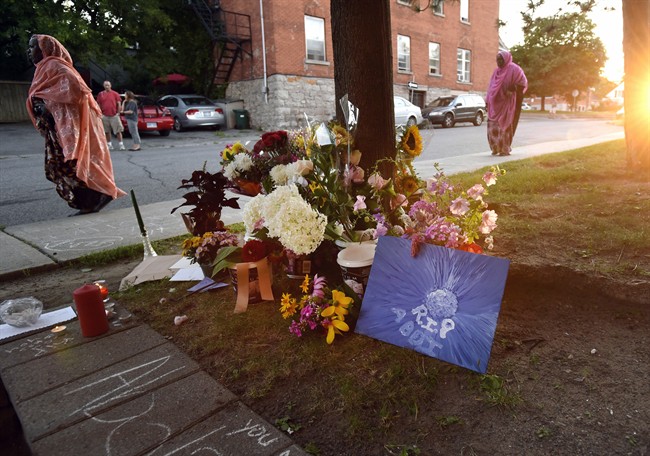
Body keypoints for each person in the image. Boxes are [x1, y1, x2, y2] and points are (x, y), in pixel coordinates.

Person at [26, 34, 126, 215]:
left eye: (33, 47)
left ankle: (94, 200)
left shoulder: (55, 66)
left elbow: (77, 90)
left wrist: (48, 104)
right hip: (57, 129)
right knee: (63, 167)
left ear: (45, 49)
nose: (29, 51)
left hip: (70, 128)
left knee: (71, 166)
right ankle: (90, 201)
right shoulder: (43, 69)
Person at [486, 50, 528, 156]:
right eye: (497, 60)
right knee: (493, 127)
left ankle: (504, 149)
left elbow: (523, 83)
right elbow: (491, 87)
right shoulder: (496, 72)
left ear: (506, 59)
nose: (499, 62)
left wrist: (513, 88)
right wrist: (488, 100)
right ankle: (495, 148)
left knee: (504, 126)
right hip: (495, 105)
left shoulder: (515, 69)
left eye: (501, 59)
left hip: (508, 104)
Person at [97, 80, 125, 150]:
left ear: (110, 86)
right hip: (104, 115)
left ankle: (121, 144)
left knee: (118, 131)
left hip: (114, 115)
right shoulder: (100, 94)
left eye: (108, 85)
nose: (107, 86)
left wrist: (118, 113)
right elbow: (99, 104)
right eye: (105, 85)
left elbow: (119, 103)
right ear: (103, 86)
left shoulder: (115, 94)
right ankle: (109, 144)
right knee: (106, 131)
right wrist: (100, 113)